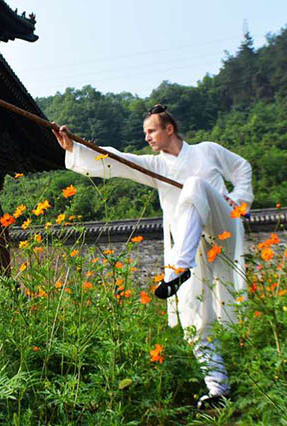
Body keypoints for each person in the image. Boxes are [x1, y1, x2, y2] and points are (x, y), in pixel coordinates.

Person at [51, 104, 253, 410]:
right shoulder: (156, 166)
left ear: (169, 128)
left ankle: (178, 268)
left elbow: (243, 169)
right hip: (193, 242)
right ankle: (218, 389)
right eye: (145, 132)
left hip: (222, 224)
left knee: (195, 186)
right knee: (192, 314)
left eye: (151, 130)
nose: (147, 137)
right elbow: (120, 160)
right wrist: (76, 147)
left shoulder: (207, 151)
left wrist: (237, 200)